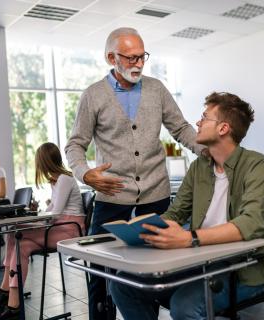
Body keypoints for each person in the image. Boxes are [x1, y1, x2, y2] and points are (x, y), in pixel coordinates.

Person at [65, 27, 203, 319]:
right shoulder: (93, 95)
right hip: (112, 196)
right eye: (130, 58)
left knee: (156, 267)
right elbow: (76, 144)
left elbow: (181, 128)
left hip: (156, 194)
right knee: (100, 272)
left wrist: (209, 150)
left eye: (142, 57)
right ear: (110, 58)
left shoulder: (157, 89)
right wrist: (84, 173)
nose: (138, 64)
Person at [109, 92, 264, 320]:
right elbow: (176, 212)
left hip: (244, 270)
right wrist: (146, 231)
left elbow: (252, 222)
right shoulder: (200, 166)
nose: (197, 123)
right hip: (200, 261)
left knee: (184, 306)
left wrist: (190, 238)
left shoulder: (257, 165)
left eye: (204, 117)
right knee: (124, 284)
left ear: (223, 128)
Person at [0, 142, 85, 320]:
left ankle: (5, 292)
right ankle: (12, 304)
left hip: (70, 230)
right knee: (22, 244)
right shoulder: (56, 180)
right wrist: (36, 215)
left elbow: (56, 211)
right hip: (58, 226)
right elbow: (52, 207)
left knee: (15, 232)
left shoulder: (65, 179)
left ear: (45, 162)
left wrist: (35, 219)